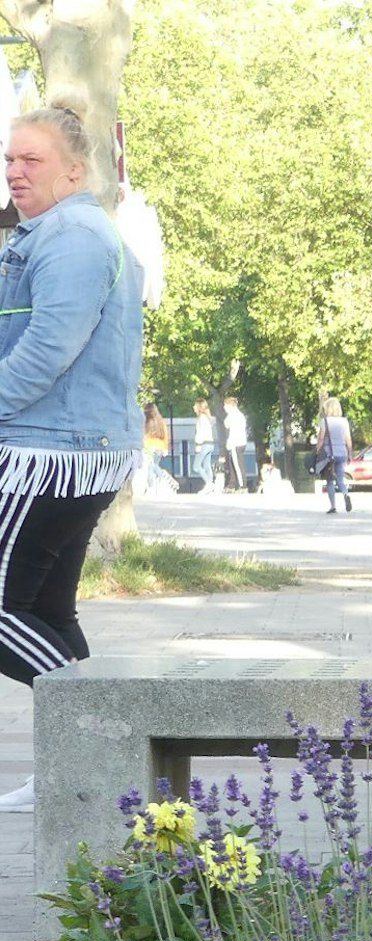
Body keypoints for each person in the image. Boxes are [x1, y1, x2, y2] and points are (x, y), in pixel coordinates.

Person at [0, 106, 147, 814]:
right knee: (43, 610)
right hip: (70, 450)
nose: (13, 170)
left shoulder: (74, 240)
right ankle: (83, 765)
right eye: (9, 158)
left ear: (74, 169)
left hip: (49, 452)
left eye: (30, 159)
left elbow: (44, 356)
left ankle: (104, 735)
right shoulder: (59, 235)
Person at [317, 397, 353, 514]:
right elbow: (348, 439)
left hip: (329, 455)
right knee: (340, 479)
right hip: (342, 453)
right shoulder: (344, 421)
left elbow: (321, 438)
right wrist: (350, 453)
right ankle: (346, 494)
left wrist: (318, 451)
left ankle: (333, 506)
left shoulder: (324, 421)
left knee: (329, 480)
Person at [142, 403, 172, 492]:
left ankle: (155, 484)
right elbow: (165, 435)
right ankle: (159, 481)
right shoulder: (161, 421)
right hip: (159, 447)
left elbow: (144, 435)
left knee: (150, 467)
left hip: (149, 447)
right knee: (155, 465)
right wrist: (165, 448)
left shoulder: (146, 421)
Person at [221, 396, 249, 491]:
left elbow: (226, 424)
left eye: (225, 405)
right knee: (232, 464)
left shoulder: (233, 415)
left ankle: (242, 485)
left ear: (230, 405)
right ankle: (232, 484)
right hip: (239, 442)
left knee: (237, 464)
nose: (224, 408)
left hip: (235, 443)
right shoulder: (239, 415)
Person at [191, 399, 218, 492]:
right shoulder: (207, 418)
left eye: (195, 405)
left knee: (196, 466)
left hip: (203, 444)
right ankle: (210, 486)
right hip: (210, 443)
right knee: (207, 466)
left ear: (199, 407)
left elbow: (200, 433)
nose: (193, 407)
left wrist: (198, 444)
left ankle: (209, 484)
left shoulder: (201, 418)